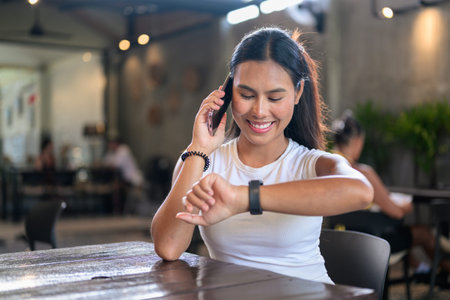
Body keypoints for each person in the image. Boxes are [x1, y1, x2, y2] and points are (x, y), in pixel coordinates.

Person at [151, 27, 373, 284]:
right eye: (246, 95)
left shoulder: (310, 163)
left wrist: (243, 198)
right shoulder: (203, 161)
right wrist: (199, 147)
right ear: (227, 94)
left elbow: (361, 192)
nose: (259, 110)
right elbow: (168, 247)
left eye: (275, 97)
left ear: (298, 93)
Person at [331, 110, 450, 279]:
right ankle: (441, 274)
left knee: (401, 233)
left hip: (339, 241)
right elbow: (395, 212)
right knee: (422, 233)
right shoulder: (363, 173)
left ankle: (420, 269)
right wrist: (405, 207)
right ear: (358, 141)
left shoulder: (325, 169)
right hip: (372, 242)